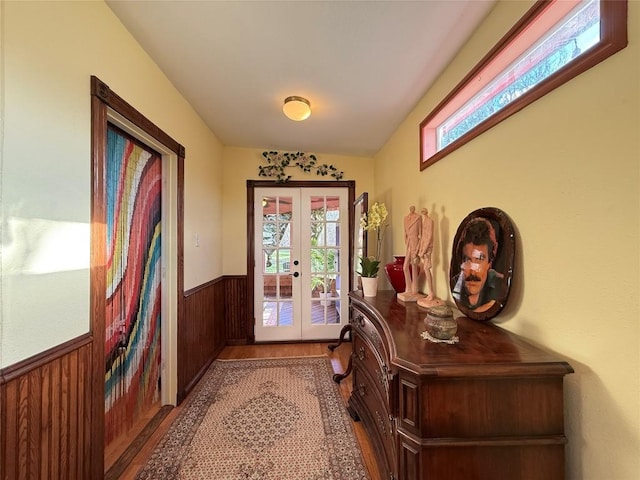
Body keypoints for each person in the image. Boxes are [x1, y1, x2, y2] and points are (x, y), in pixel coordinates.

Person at [452, 217, 504, 313]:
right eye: (468, 260)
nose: (472, 271)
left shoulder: (500, 287)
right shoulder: (456, 284)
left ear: (490, 262)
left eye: (479, 260)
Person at [400, 206, 422, 299]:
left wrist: (418, 247)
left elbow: (420, 234)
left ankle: (415, 289)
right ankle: (408, 288)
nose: (411, 209)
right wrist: (405, 239)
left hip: (415, 242)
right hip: (409, 242)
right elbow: (405, 231)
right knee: (405, 266)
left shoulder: (418, 217)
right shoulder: (406, 218)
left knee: (414, 266)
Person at [418, 207, 434, 299]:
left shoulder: (430, 221)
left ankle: (431, 292)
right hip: (424, 247)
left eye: (423, 211)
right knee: (426, 269)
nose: (423, 213)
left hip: (428, 248)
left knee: (427, 269)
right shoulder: (424, 221)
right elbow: (423, 237)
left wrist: (423, 250)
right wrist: (421, 248)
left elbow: (429, 237)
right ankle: (430, 292)